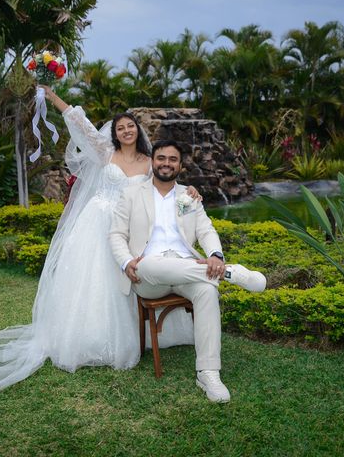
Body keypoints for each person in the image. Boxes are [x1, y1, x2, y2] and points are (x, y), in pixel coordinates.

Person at [0, 87, 197, 419]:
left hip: (130, 227)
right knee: (93, 280)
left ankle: (136, 334)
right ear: (114, 132)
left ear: (138, 131)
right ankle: (86, 340)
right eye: (120, 127)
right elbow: (80, 124)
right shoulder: (104, 152)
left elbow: (165, 185)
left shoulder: (148, 160)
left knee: (125, 280)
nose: (126, 131)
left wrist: (189, 191)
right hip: (98, 221)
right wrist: (53, 97)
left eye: (130, 126)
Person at [109, 139, 267, 403]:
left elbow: (205, 230)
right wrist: (127, 262)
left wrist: (215, 255)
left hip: (186, 269)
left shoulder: (189, 196)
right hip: (147, 273)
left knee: (207, 290)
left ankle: (208, 372)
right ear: (152, 161)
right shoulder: (132, 194)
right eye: (161, 158)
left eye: (172, 159)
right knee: (149, 263)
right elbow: (116, 234)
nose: (166, 163)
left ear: (180, 165)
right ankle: (230, 273)